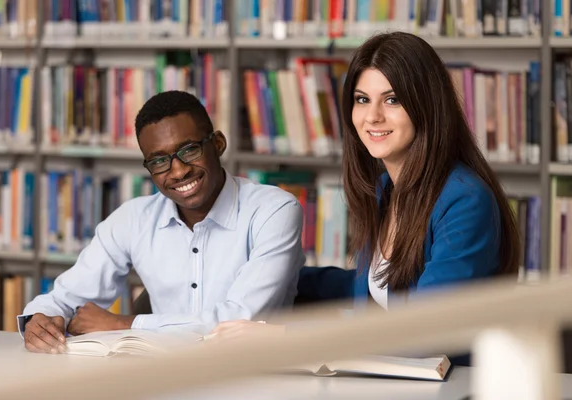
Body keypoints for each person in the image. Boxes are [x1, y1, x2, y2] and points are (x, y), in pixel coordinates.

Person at [209, 31, 521, 347]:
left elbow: (424, 325)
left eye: (392, 99)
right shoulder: (385, 190)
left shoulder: (464, 200)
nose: (372, 116)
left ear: (426, 105)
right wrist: (270, 273)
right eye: (362, 100)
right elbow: (372, 289)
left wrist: (287, 335)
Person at [19, 90, 306, 354]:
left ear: (218, 144)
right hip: (163, 377)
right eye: (159, 161)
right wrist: (40, 319)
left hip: (253, 376)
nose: (178, 171)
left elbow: (240, 320)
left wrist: (125, 324)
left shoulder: (274, 210)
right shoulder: (133, 219)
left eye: (189, 150)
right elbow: (66, 297)